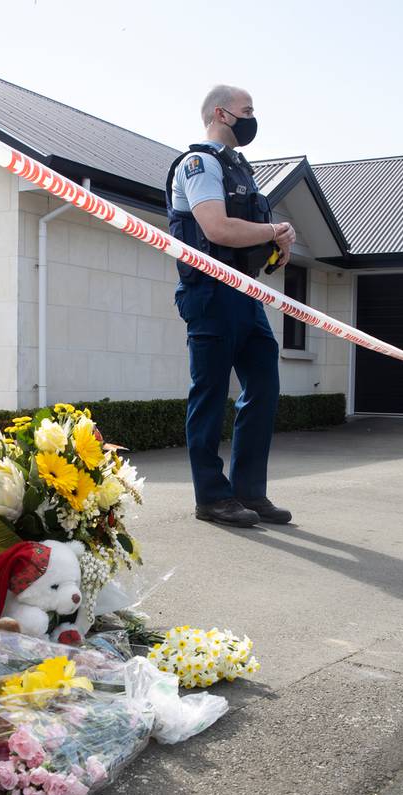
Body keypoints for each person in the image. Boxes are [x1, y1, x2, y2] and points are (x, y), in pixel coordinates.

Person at [166, 85, 295, 527]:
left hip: (246, 294)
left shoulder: (242, 170)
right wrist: (275, 228)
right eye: (247, 110)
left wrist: (279, 244)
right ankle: (211, 497)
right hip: (209, 292)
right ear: (221, 113)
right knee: (210, 394)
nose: (253, 117)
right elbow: (217, 228)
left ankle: (248, 493)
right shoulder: (199, 164)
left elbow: (254, 239)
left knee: (264, 388)